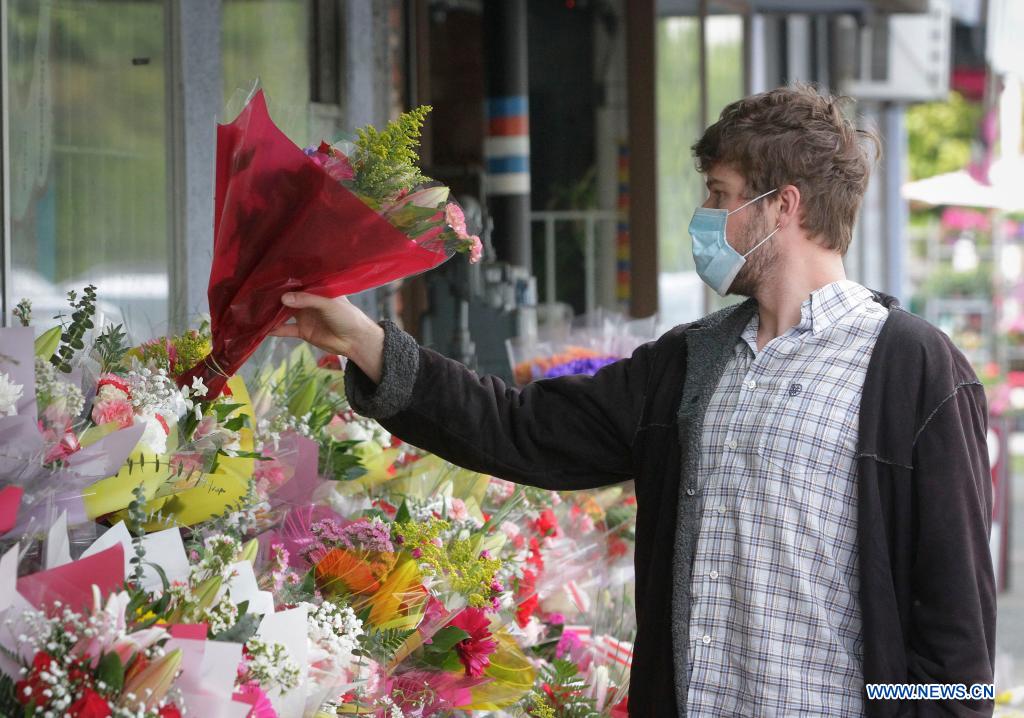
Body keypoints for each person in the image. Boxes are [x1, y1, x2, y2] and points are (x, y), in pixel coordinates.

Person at [271, 84, 995, 717]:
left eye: (720, 194)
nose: (703, 216)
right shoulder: (691, 361)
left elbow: (956, 643)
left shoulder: (914, 371)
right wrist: (365, 340)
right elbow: (521, 429)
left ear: (784, 206)